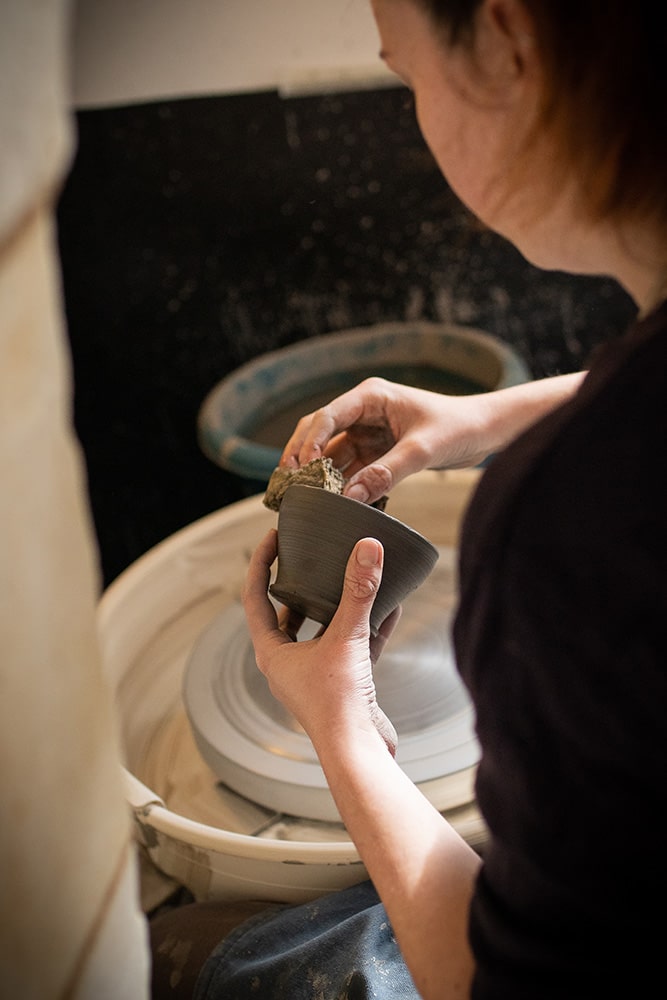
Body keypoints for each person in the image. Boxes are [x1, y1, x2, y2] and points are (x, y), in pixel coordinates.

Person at [149, 1, 667, 996]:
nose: (414, 114)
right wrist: (485, 419)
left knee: (226, 954)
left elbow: (495, 976)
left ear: (512, 43)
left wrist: (339, 726)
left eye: (407, 77)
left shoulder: (571, 526)